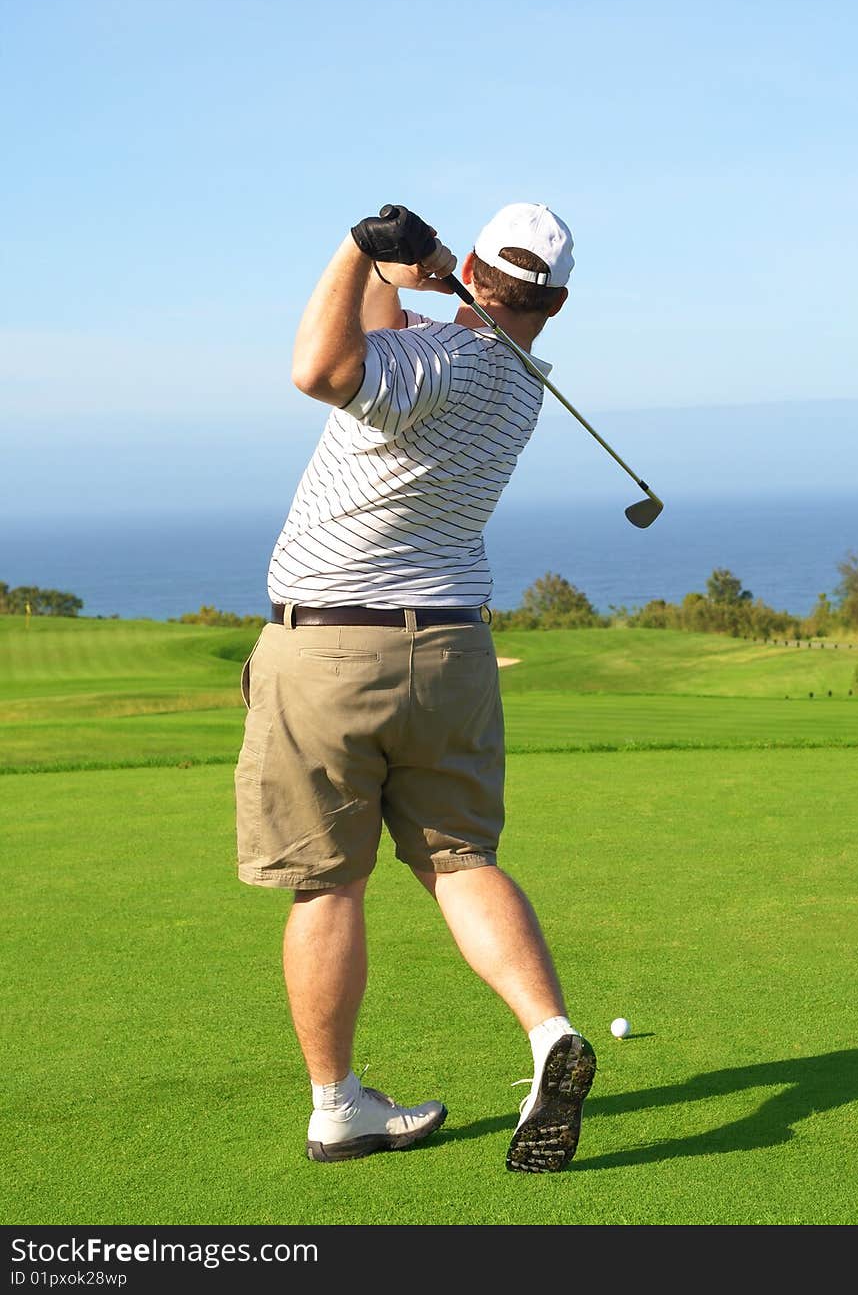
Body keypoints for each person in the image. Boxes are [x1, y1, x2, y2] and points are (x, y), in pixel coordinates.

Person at [234, 201, 596, 1173]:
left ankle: (338, 1105)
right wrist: (425, 266)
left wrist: (357, 249)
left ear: (481, 267)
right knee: (459, 859)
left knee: (327, 883)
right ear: (554, 305)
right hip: (450, 655)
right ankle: (546, 1031)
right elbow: (391, 328)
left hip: (329, 652)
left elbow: (320, 367)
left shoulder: (433, 365)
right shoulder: (514, 378)